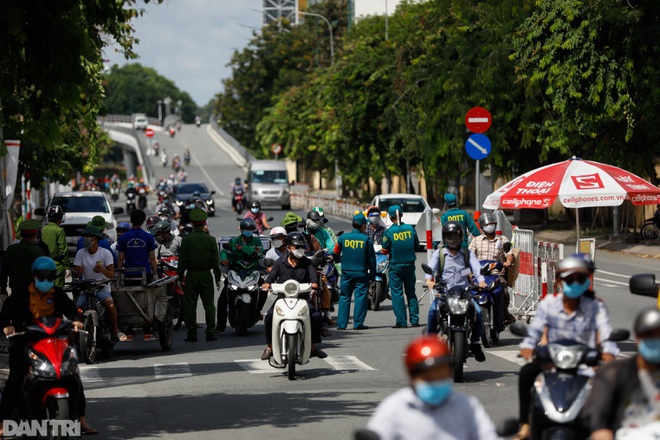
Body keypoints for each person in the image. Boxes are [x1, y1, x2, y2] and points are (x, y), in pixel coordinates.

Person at [515, 255, 619, 440]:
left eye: (581, 279)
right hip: (552, 363)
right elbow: (535, 331)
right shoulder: (549, 304)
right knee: (526, 373)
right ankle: (525, 424)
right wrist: (529, 347)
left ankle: (609, 428)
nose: (575, 284)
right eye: (570, 279)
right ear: (559, 281)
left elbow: (605, 333)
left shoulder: (596, 306)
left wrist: (609, 351)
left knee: (612, 382)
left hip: (587, 365)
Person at [0, 257, 98, 436]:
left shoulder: (57, 293)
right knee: (15, 380)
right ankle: (2, 422)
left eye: (50, 277)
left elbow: (71, 310)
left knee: (73, 375)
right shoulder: (21, 293)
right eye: (42, 277)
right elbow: (5, 314)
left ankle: (81, 419)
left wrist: (76, 321)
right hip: (25, 342)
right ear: (34, 276)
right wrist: (7, 326)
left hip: (55, 343)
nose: (46, 281)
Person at [367, 336, 502, 440]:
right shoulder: (394, 408)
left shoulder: (466, 405)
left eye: (442, 377)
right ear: (412, 377)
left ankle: (474, 342)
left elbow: (487, 435)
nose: (436, 383)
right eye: (429, 379)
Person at [584, 308, 660, 440]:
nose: (654, 341)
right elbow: (597, 410)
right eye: (649, 336)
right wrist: (601, 430)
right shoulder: (614, 373)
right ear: (638, 338)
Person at [425, 221, 487, 362]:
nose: (452, 240)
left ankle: (476, 342)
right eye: (449, 237)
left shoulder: (467, 253)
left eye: (455, 236)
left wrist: (481, 280)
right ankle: (430, 342)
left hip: (464, 293)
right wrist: (429, 280)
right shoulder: (439, 254)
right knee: (433, 311)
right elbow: (430, 269)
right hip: (444, 292)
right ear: (445, 238)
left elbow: (476, 268)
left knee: (478, 311)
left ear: (461, 237)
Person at [260, 232, 327, 360]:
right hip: (282, 299)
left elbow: (313, 277)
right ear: (289, 248)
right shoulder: (280, 263)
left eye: (302, 247)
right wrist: (267, 283)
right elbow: (272, 275)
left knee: (316, 316)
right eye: (297, 247)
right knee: (269, 316)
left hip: (302, 299)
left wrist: (314, 283)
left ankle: (313, 346)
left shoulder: (308, 263)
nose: (300, 250)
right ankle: (270, 347)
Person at [177, 208, 221, 342]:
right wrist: (218, 278)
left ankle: (192, 334)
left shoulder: (186, 240)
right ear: (204, 223)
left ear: (192, 223)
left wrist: (180, 277)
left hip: (191, 275)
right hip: (206, 276)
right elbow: (215, 262)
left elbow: (182, 261)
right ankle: (210, 332)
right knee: (209, 305)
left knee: (191, 304)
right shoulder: (211, 240)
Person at [73, 226, 123, 341]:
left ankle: (115, 331)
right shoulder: (81, 253)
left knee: (110, 306)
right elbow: (76, 272)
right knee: (77, 308)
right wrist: (77, 272)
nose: (84, 239)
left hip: (101, 288)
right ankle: (75, 336)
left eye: (87, 237)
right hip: (86, 289)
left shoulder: (105, 253)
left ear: (94, 239)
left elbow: (111, 274)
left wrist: (101, 270)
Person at [468, 211, 516, 326]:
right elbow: (469, 256)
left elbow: (509, 253)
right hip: (479, 274)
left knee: (504, 292)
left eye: (491, 224)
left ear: (495, 225)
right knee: (468, 291)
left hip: (496, 273)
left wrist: (508, 262)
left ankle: (505, 313)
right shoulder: (476, 240)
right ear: (482, 228)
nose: (489, 227)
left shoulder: (502, 239)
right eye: (486, 225)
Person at [217, 218, 264, 333]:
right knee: (222, 299)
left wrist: (242, 248)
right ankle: (220, 325)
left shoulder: (257, 242)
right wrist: (224, 260)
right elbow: (225, 252)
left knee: (264, 289)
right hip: (236, 271)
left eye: (251, 229)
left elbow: (258, 253)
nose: (249, 231)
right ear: (241, 230)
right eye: (246, 229)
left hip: (252, 271)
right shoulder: (234, 241)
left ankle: (257, 310)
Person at [332, 213, 376, 330]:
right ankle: (358, 324)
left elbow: (335, 253)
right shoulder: (366, 240)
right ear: (362, 226)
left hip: (346, 273)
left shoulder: (342, 238)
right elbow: (372, 260)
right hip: (361, 273)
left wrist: (340, 261)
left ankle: (342, 325)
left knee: (344, 297)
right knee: (360, 298)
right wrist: (372, 275)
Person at [382, 205, 420, 328]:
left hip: (396, 267)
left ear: (390, 217)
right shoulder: (410, 229)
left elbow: (384, 250)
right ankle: (414, 320)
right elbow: (417, 246)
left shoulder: (389, 232)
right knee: (411, 292)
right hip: (409, 265)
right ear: (402, 215)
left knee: (397, 294)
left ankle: (401, 322)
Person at [0, 220, 45, 295]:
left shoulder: (10, 250)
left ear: (21, 235)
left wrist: (3, 290)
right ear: (34, 236)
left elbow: (3, 273)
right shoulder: (37, 253)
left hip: (15, 293)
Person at [116, 209, 158, 284]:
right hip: (145, 273)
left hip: (129, 274)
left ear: (131, 220)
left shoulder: (123, 237)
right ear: (143, 220)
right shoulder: (149, 237)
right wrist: (155, 275)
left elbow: (120, 258)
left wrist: (119, 276)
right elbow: (152, 258)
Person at [41, 205, 70, 287]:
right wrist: (67, 266)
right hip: (56, 267)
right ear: (60, 218)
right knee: (58, 294)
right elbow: (63, 250)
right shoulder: (59, 231)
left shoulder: (42, 230)